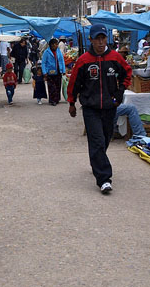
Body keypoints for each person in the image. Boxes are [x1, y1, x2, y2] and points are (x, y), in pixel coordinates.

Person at [67, 24, 132, 194]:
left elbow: (127, 72)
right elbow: (74, 82)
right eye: (97, 39)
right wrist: (72, 103)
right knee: (96, 140)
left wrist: (119, 92)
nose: (101, 42)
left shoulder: (115, 57)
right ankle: (104, 179)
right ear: (91, 40)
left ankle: (96, 161)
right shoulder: (83, 60)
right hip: (91, 107)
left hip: (110, 107)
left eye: (103, 38)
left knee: (105, 139)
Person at [41, 38, 66, 106]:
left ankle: (57, 99)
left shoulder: (58, 51)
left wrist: (63, 70)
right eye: (55, 44)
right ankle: (52, 100)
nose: (56, 45)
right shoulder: (46, 52)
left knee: (58, 86)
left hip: (58, 71)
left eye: (57, 44)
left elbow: (62, 61)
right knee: (52, 86)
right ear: (51, 45)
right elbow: (43, 63)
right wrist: (44, 72)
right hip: (50, 72)